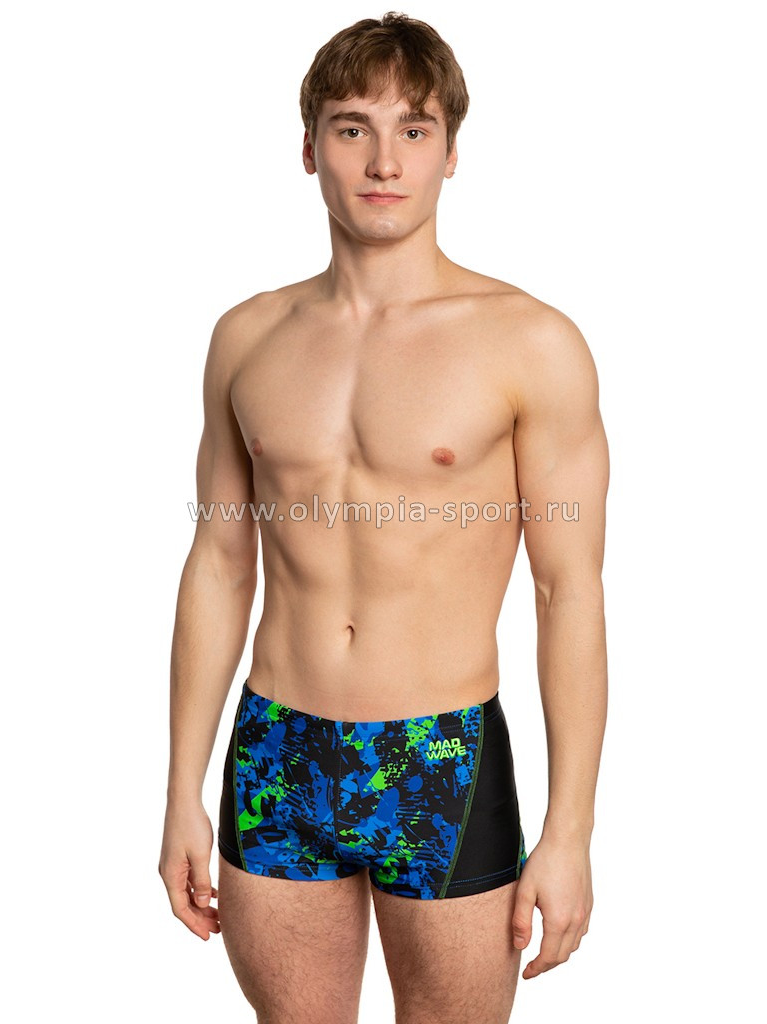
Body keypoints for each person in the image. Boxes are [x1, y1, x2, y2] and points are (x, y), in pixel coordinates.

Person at [159, 11, 609, 1023]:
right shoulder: (247, 337)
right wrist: (182, 787)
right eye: (353, 126)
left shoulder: (530, 343)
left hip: (439, 757)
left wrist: (571, 828)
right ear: (309, 146)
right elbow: (220, 560)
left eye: (414, 128)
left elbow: (568, 589)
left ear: (452, 151)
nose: (383, 161)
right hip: (276, 749)